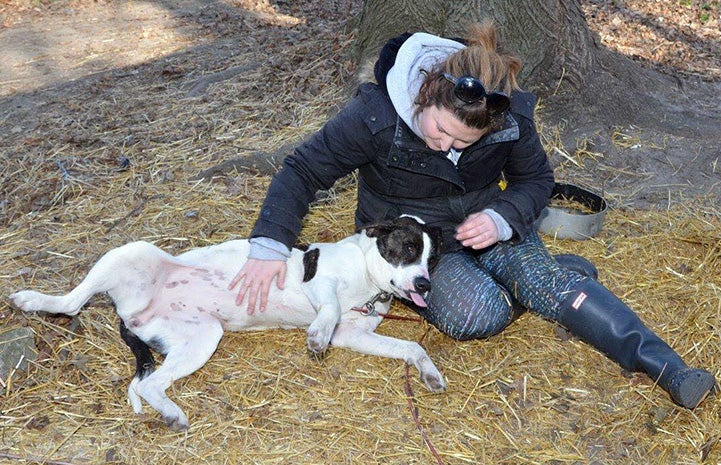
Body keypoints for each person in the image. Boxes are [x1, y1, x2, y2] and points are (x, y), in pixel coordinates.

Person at [228, 21, 715, 409]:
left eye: (465, 144)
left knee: (546, 283)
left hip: (491, 227)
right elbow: (302, 169)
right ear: (428, 92)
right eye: (441, 132)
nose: (446, 147)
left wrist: (503, 216)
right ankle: (542, 284)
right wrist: (269, 244)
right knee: (476, 316)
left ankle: (666, 367)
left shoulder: (509, 116)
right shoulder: (373, 114)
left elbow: (536, 182)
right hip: (416, 250)